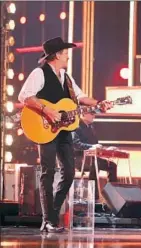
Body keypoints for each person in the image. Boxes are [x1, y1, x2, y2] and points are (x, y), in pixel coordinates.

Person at [18, 37, 111, 233]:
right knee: (48, 172)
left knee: (68, 173)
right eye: (66, 52)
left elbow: (81, 97)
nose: (68, 55)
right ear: (58, 54)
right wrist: (48, 110)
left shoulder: (67, 77)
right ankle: (49, 219)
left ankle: (51, 215)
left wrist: (99, 104)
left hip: (64, 130)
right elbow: (25, 96)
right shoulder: (39, 73)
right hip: (45, 128)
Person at [72, 111, 118, 202]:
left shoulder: (91, 128)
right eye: (91, 113)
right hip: (79, 159)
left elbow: (95, 145)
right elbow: (76, 144)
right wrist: (91, 147)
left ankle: (112, 196)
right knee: (94, 164)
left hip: (92, 158)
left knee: (112, 166)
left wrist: (106, 149)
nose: (94, 115)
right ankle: (94, 197)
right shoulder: (76, 126)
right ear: (83, 114)